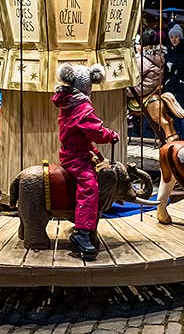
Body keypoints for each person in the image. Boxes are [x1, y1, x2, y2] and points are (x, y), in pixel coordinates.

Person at [52, 63, 118, 260]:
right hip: (75, 157)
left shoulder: (69, 101)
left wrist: (95, 152)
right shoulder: (81, 106)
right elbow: (94, 131)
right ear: (87, 86)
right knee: (89, 186)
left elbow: (81, 135)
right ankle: (81, 233)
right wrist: (110, 135)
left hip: (75, 150)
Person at [164, 24, 184, 139]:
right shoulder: (168, 50)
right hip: (171, 85)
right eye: (172, 37)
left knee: (183, 111)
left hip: (182, 84)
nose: (174, 39)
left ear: (180, 37)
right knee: (172, 112)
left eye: (176, 37)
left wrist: (174, 66)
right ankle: (178, 136)